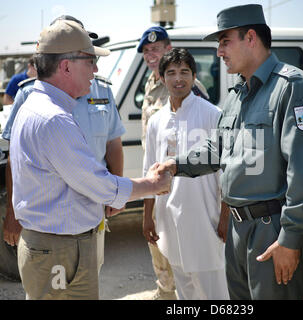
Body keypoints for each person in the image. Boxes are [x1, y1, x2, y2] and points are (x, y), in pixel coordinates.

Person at [157, 4, 303, 300]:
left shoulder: (291, 87)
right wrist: (175, 165)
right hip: (237, 230)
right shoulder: (239, 93)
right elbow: (217, 147)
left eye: (224, 42)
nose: (220, 52)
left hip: (271, 231)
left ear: (250, 38)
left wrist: (291, 239)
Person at [10, 20, 171, 300]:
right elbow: (99, 185)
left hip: (58, 245)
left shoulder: (38, 105)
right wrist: (152, 184)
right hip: (58, 248)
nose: (95, 70)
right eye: (90, 61)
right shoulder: (54, 119)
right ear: (67, 66)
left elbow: (112, 146)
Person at [1, 15, 124, 275]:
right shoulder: (29, 93)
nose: (94, 68)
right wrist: (12, 212)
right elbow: (16, 156)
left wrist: (116, 187)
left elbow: (113, 143)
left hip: (92, 206)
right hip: (51, 221)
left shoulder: (102, 90)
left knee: (90, 272)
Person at [143, 48, 229, 300]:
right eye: (171, 73)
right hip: (168, 218)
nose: (178, 79)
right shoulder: (157, 120)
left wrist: (225, 216)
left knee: (214, 291)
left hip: (205, 218)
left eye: (184, 72)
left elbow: (226, 170)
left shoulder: (212, 114)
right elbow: (149, 169)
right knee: (184, 289)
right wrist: (147, 216)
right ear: (161, 78)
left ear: (193, 76)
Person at [138, 26, 209, 300]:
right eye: (145, 51)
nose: (149, 55)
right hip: (156, 179)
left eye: (155, 49)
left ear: (168, 49)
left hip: (183, 181)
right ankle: (165, 290)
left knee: (184, 249)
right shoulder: (151, 84)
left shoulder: (191, 89)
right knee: (157, 242)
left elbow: (201, 143)